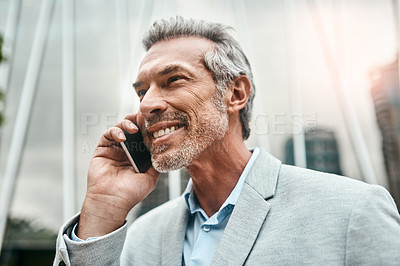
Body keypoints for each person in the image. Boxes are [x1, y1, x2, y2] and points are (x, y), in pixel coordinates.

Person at [54, 17, 400, 266]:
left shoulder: (352, 210)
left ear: (236, 93)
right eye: (142, 92)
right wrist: (102, 208)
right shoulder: (140, 237)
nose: (146, 105)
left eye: (173, 80)